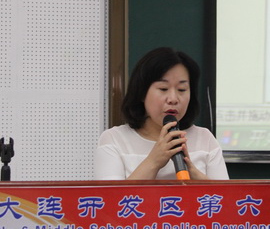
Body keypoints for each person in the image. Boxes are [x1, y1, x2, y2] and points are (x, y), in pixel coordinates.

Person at [94, 47, 229, 180]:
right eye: (163, 89)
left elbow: (226, 194)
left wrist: (193, 173)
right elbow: (112, 195)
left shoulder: (205, 139)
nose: (173, 99)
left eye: (182, 89)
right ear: (142, 92)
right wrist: (154, 161)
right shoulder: (114, 139)